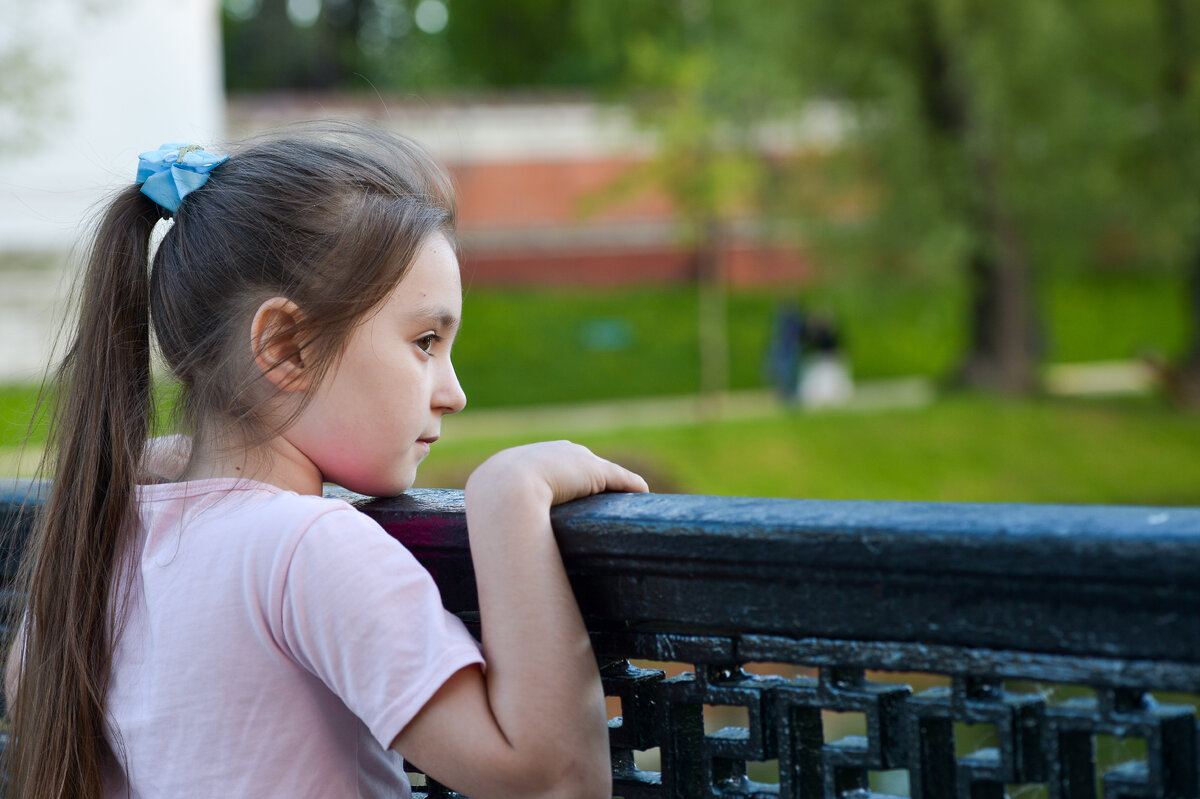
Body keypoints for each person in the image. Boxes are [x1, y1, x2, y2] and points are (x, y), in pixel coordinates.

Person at [4, 125, 648, 799]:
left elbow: (28, 693)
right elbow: (555, 783)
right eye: (426, 341)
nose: (453, 394)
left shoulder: (102, 536)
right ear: (286, 347)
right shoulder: (310, 549)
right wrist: (510, 495)